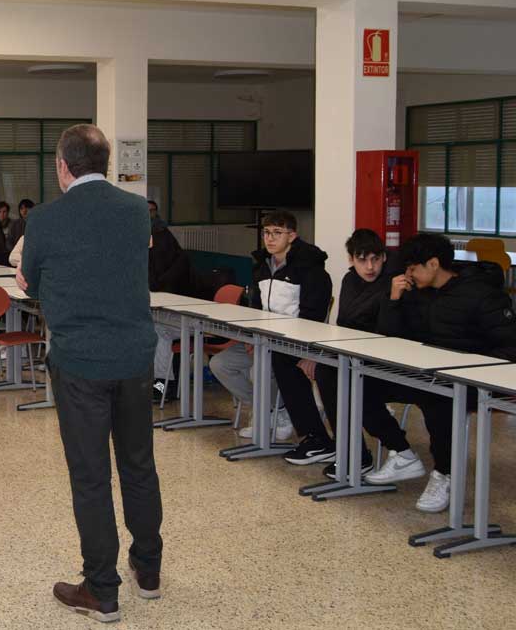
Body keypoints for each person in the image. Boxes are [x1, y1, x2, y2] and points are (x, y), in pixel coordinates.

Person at [17, 124, 162, 622]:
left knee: (91, 476)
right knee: (139, 465)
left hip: (79, 364)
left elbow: (31, 283)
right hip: (135, 358)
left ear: (63, 166)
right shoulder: (136, 211)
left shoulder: (44, 219)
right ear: (105, 163)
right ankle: (148, 569)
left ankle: (102, 590)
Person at [361, 233, 516, 512]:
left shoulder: (481, 295)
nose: (408, 275)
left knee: (438, 396)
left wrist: (468, 369)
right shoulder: (415, 292)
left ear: (433, 264)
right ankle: (403, 453)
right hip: (427, 373)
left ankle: (445, 473)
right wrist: (393, 300)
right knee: (359, 381)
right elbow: (389, 340)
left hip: (473, 379)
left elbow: (510, 346)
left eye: (413, 268)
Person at [208, 210, 332, 441]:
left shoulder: (310, 269)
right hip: (263, 340)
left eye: (277, 232)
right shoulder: (262, 266)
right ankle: (273, 410)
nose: (270, 238)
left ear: (292, 236)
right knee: (220, 364)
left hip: (292, 344)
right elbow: (254, 308)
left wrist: (307, 351)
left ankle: (278, 411)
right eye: (266, 232)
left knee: (259, 370)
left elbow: (314, 316)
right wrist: (250, 337)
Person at [302, 229, 393, 478]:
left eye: (375, 259)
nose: (370, 267)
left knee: (332, 376)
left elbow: (385, 331)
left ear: (384, 257)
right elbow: (344, 324)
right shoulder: (349, 280)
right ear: (351, 260)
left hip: (383, 358)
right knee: (322, 370)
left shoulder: (392, 284)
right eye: (362, 260)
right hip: (353, 353)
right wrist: (320, 354)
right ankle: (348, 450)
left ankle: (357, 455)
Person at [148, 210, 192, 400]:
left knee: (157, 333)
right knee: (153, 330)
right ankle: (159, 382)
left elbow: (161, 287)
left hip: (188, 318)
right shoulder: (162, 249)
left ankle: (163, 385)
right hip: (169, 315)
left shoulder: (168, 256)